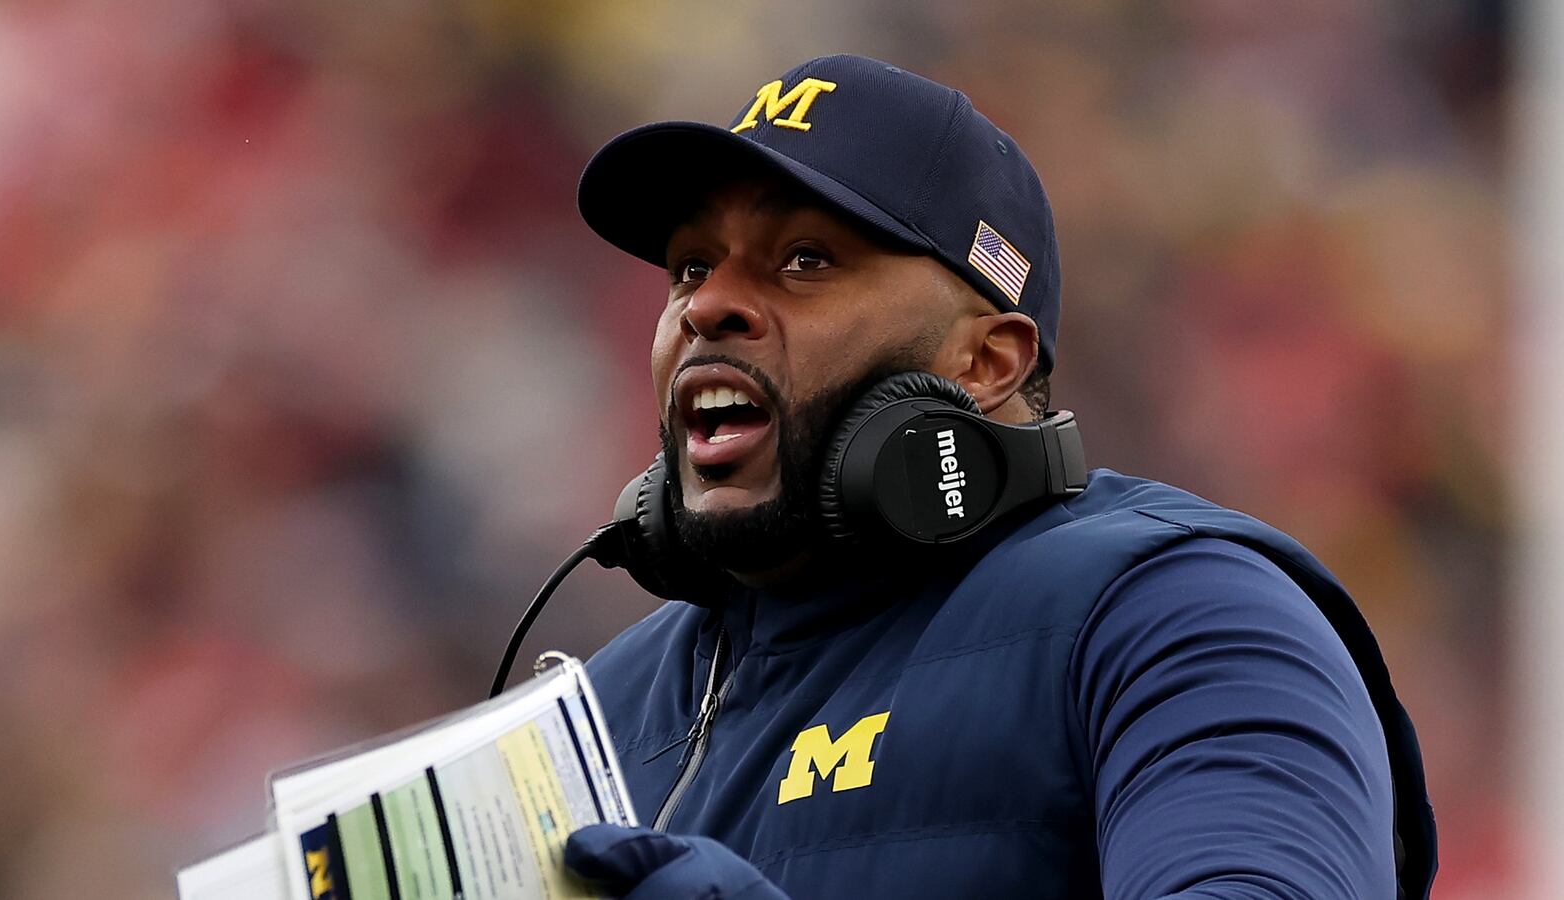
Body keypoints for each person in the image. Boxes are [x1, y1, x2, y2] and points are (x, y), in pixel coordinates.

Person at [559, 55, 1436, 899]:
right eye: (692, 267)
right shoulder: (595, 713)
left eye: (806, 261)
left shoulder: (1175, 613)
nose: (706, 306)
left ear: (985, 361)